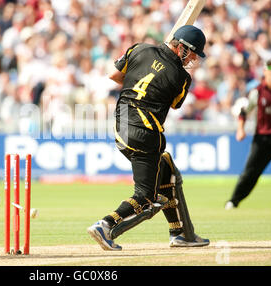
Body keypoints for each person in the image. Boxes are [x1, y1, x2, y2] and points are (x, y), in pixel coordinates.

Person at [87, 25, 210, 250]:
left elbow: (115, 75)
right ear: (180, 47)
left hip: (121, 123)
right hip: (145, 132)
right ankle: (105, 225)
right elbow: (174, 104)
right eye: (191, 52)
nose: (192, 58)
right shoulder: (181, 77)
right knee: (146, 197)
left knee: (166, 171)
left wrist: (143, 73)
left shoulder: (139, 49)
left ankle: (179, 233)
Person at [225, 59, 271, 210]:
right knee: (250, 174)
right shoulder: (257, 92)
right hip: (262, 139)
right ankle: (233, 201)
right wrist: (241, 129)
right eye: (269, 69)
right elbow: (244, 112)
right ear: (264, 72)